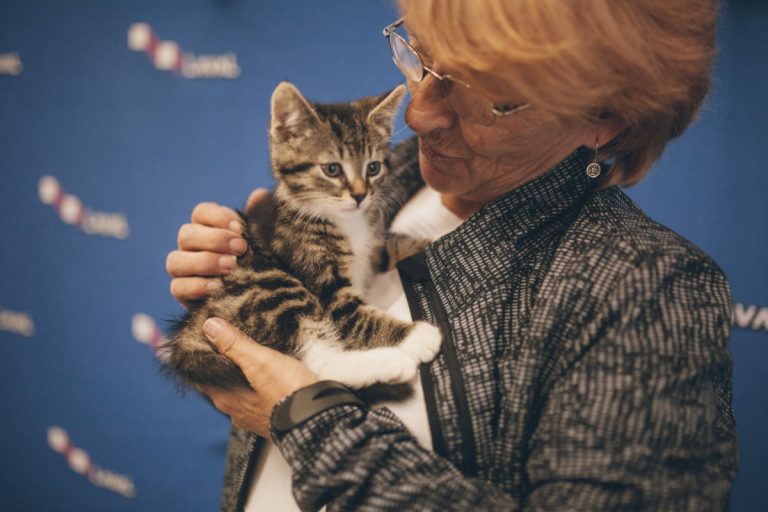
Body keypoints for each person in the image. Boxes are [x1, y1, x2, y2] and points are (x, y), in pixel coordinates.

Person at [165, 0, 738, 510]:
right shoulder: (389, 174)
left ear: (602, 117)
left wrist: (307, 422)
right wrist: (240, 318)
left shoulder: (645, 288)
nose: (419, 113)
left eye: (486, 91)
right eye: (422, 56)